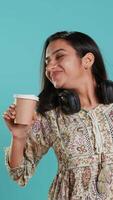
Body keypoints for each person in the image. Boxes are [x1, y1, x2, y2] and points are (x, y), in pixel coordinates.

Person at [3, 31, 113, 199]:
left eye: (59, 56)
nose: (49, 67)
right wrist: (18, 137)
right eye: (47, 62)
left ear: (88, 60)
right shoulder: (50, 117)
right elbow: (19, 173)